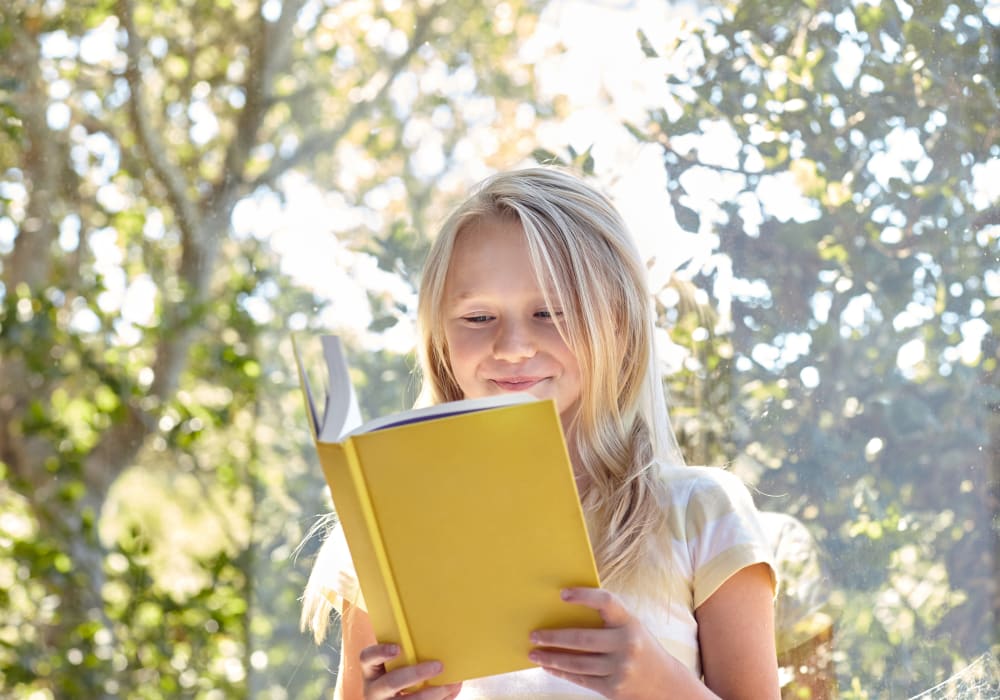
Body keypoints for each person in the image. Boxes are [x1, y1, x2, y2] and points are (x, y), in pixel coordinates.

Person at [301, 167, 780, 699]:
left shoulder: (701, 512)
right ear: (439, 337)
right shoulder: (388, 531)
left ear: (617, 322)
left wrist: (657, 683)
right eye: (479, 317)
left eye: (550, 312)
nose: (512, 347)